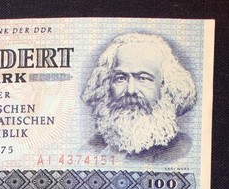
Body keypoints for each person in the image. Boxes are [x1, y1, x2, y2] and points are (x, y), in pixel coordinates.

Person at [82, 32, 196, 160]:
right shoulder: (92, 148)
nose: (130, 90)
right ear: (107, 84)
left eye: (143, 78)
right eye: (121, 78)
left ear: (165, 85)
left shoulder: (182, 151)